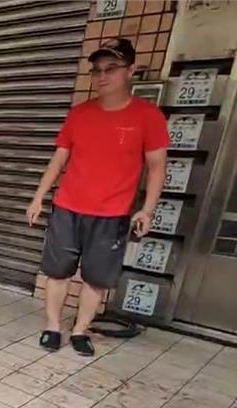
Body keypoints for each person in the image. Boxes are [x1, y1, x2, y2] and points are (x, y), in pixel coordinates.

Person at [26, 38, 167, 357]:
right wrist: (38, 197)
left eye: (112, 69)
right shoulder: (79, 114)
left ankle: (79, 330)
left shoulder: (148, 116)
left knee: (96, 278)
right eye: (97, 70)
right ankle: (52, 325)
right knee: (57, 271)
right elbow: (59, 159)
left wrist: (147, 210)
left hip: (112, 213)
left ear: (130, 70)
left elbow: (157, 167)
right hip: (68, 207)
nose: (102, 76)